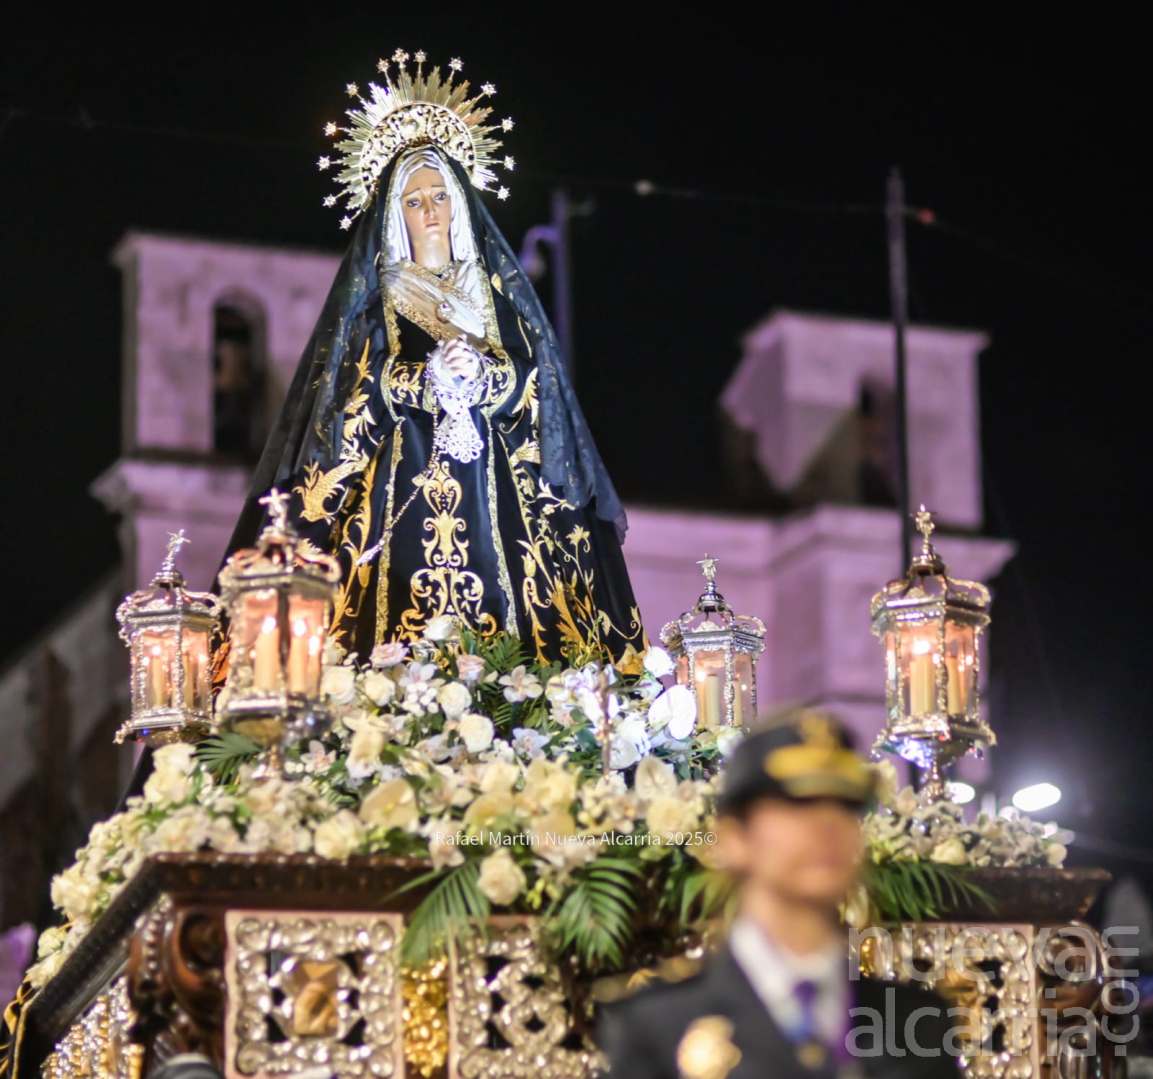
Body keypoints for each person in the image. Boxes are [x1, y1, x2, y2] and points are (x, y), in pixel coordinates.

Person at [214, 56, 644, 668]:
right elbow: (343, 404)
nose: (431, 210)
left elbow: (544, 394)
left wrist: (489, 378)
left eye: (441, 195)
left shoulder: (500, 301)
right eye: (415, 201)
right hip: (403, 497)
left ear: (460, 203)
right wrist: (422, 379)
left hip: (506, 509)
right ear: (396, 214)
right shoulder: (374, 304)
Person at [599, 714, 958, 1078]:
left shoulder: (917, 1021)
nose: (828, 824)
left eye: (845, 806)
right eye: (798, 805)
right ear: (734, 837)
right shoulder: (661, 1023)